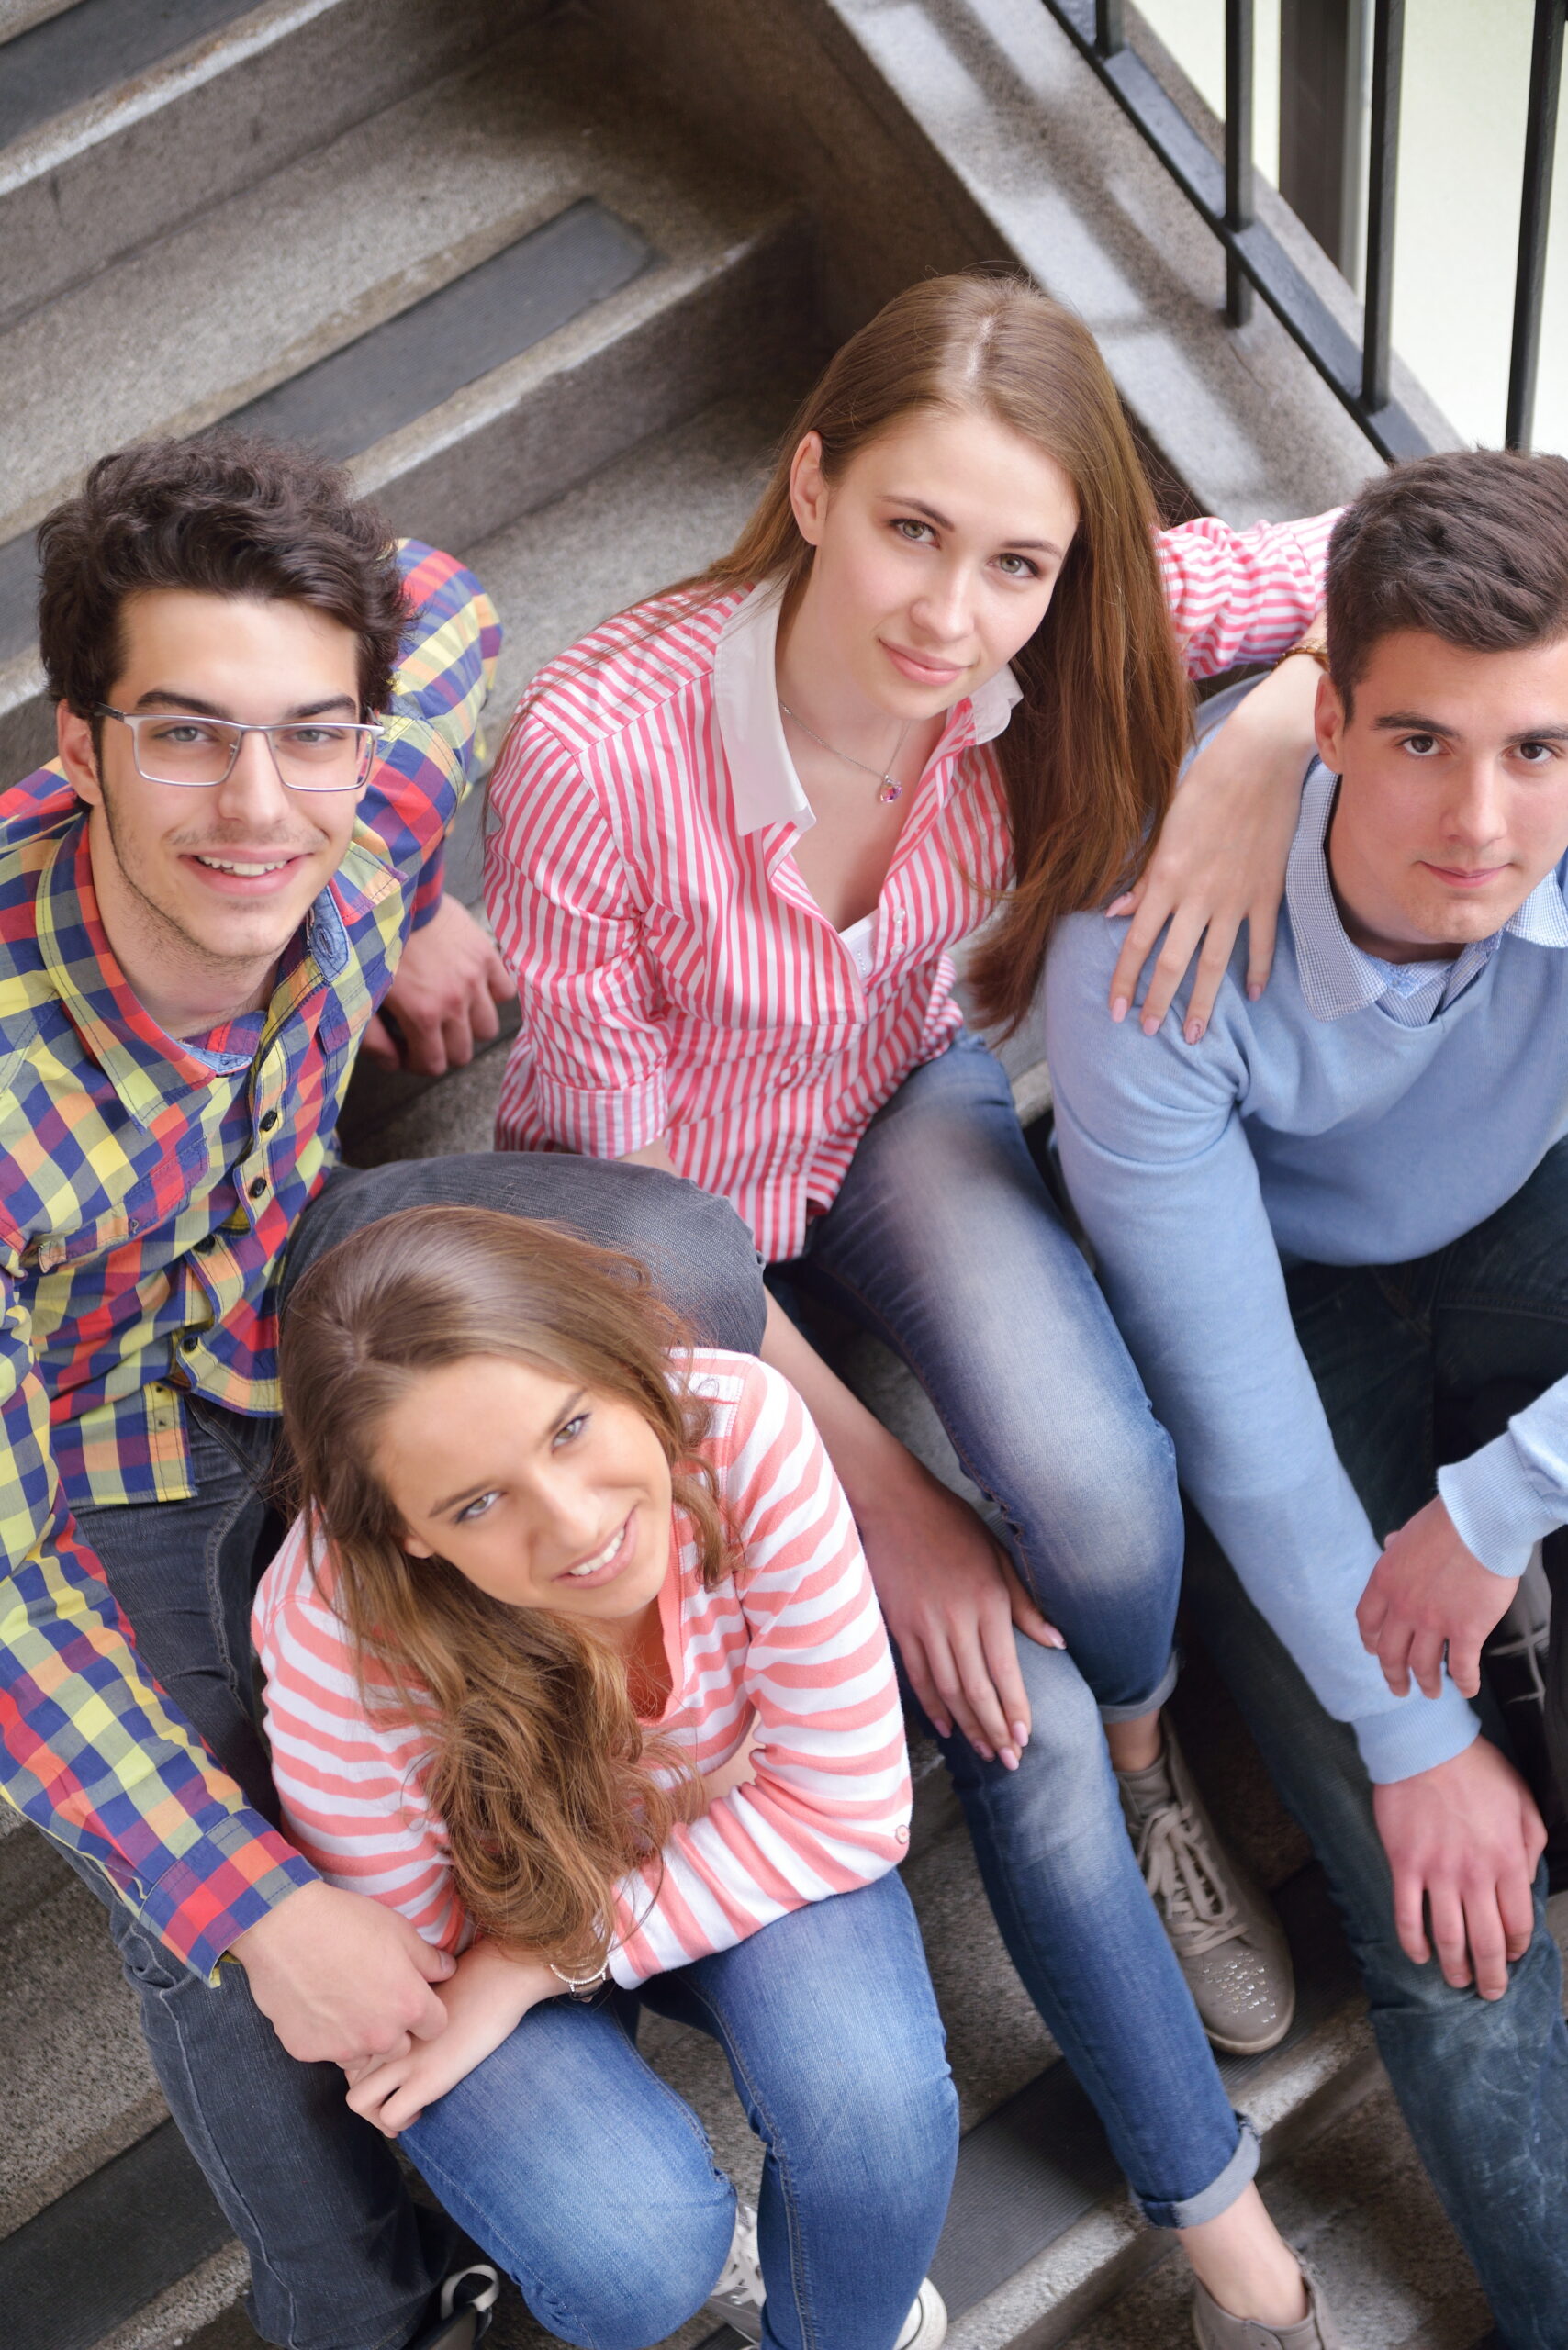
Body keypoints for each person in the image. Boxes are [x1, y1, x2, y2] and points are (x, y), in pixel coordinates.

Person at [484, 274, 1346, 2344]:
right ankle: (1222, 2225)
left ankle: (1156, 1771)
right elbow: (631, 1236)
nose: (952, 611)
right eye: (907, 530)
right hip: (653, 1233)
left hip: (893, 1101)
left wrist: (1274, 738)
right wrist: (879, 1490)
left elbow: (1457, 526)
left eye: (1014, 561)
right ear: (808, 482)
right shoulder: (601, 756)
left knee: (1100, 1508)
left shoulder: (1055, 627)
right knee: (998, 1698)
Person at [0, 431, 767, 2350]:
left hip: (302, 1280)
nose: (259, 805)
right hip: (98, 1447)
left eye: (307, 736)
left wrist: (415, 894)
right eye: (182, 735)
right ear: (75, 750)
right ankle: (361, 2304)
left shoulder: (346, 799)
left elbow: (449, 599)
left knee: (674, 1264)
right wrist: (258, 1902)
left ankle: (588, 1756)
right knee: (208, 1867)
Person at [1043, 446, 1568, 2350]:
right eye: (1418, 740)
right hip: (1289, 1303)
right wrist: (1406, 1735)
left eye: (1537, 751)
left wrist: (1501, 1494)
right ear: (1326, 712)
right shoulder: (1147, 951)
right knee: (1441, 1911)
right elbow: (1236, 1402)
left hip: (1530, 1212)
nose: (1481, 817)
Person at [254, 1203, 958, 2350]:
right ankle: (734, 2255)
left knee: (873, 2114)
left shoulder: (736, 1428)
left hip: (685, 1864)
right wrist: (512, 1963)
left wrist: (535, 1963)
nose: (576, 1525)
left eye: (571, 1427)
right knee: (630, 2257)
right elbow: (414, 1972)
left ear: (617, 1363)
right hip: (484, 1922)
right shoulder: (338, 1635)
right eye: (477, 1503)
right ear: (409, 1532)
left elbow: (844, 1803)